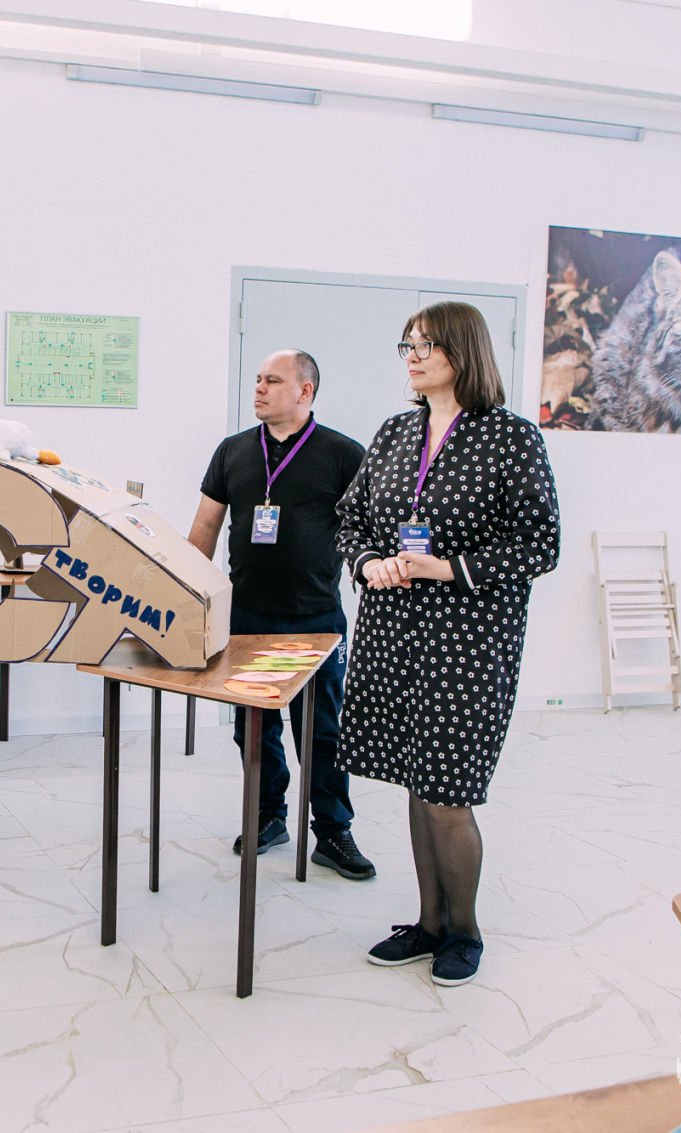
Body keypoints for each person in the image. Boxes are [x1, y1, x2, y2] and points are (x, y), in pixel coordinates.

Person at [335, 301, 560, 986]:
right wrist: (369, 562)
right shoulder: (395, 431)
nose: (412, 355)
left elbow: (539, 544)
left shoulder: (510, 437)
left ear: (463, 351)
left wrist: (447, 567)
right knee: (418, 779)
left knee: (447, 789)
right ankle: (429, 923)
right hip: (393, 633)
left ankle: (464, 931)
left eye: (426, 344)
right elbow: (350, 518)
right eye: (407, 344)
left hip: (467, 643)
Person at [189, 349, 375, 881]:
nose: (260, 388)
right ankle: (268, 815)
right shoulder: (232, 452)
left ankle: (333, 831)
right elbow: (205, 527)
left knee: (322, 730)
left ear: (305, 391)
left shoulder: (343, 454)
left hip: (315, 618)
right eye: (257, 379)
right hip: (247, 616)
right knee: (254, 727)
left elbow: (368, 529)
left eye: (272, 380)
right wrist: (185, 593)